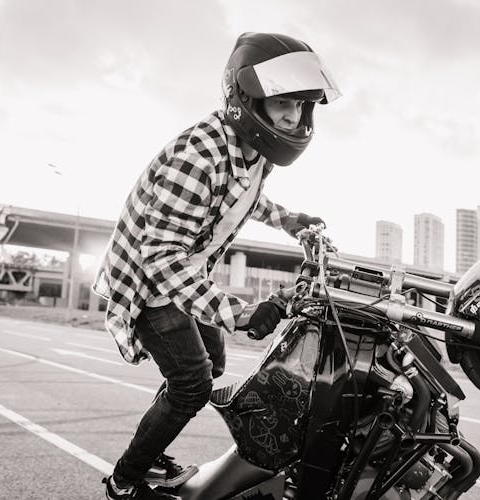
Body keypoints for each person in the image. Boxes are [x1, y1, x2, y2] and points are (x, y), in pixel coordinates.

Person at [93, 32, 341, 500]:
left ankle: (153, 450)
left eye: (305, 106)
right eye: (284, 103)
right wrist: (241, 313)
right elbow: (161, 259)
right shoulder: (197, 157)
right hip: (149, 283)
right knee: (192, 384)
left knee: (215, 360)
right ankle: (126, 480)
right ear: (246, 99)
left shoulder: (250, 149)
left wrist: (289, 220)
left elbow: (245, 193)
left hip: (181, 274)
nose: (295, 117)